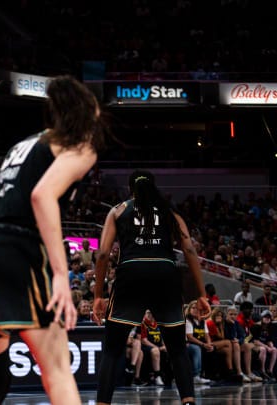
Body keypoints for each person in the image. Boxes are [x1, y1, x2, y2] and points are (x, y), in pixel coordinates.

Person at [0, 76, 103, 405]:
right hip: (15, 248)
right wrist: (62, 276)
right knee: (57, 370)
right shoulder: (79, 144)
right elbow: (42, 196)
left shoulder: (20, 148)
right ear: (88, 112)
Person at [93, 169, 211, 405]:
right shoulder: (170, 212)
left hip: (132, 274)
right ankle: (188, 400)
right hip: (165, 274)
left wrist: (98, 295)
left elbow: (104, 253)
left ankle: (102, 403)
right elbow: (189, 249)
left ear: (130, 189)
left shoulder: (118, 210)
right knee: (177, 348)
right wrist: (201, 294)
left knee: (112, 349)